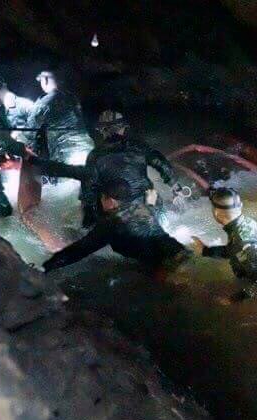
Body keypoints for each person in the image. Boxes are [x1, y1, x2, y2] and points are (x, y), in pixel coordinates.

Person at [30, 109, 182, 228]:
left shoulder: (95, 155)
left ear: (103, 131)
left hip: (117, 214)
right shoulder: (139, 147)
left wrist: (87, 223)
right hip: (148, 207)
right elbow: (162, 164)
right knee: (153, 196)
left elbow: (88, 192)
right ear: (122, 129)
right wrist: (176, 187)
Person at [43, 177, 189, 272]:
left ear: (109, 200)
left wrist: (47, 266)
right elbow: (152, 200)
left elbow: (78, 251)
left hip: (162, 269)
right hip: (181, 254)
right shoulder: (142, 206)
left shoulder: (112, 223)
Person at [191, 188, 257, 300]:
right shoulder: (246, 223)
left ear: (216, 213)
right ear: (240, 206)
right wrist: (206, 250)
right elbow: (234, 250)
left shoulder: (241, 240)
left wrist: (233, 300)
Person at [27, 70, 93, 165]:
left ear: (45, 80)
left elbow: (30, 131)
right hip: (88, 150)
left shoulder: (44, 102)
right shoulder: (71, 97)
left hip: (67, 154)